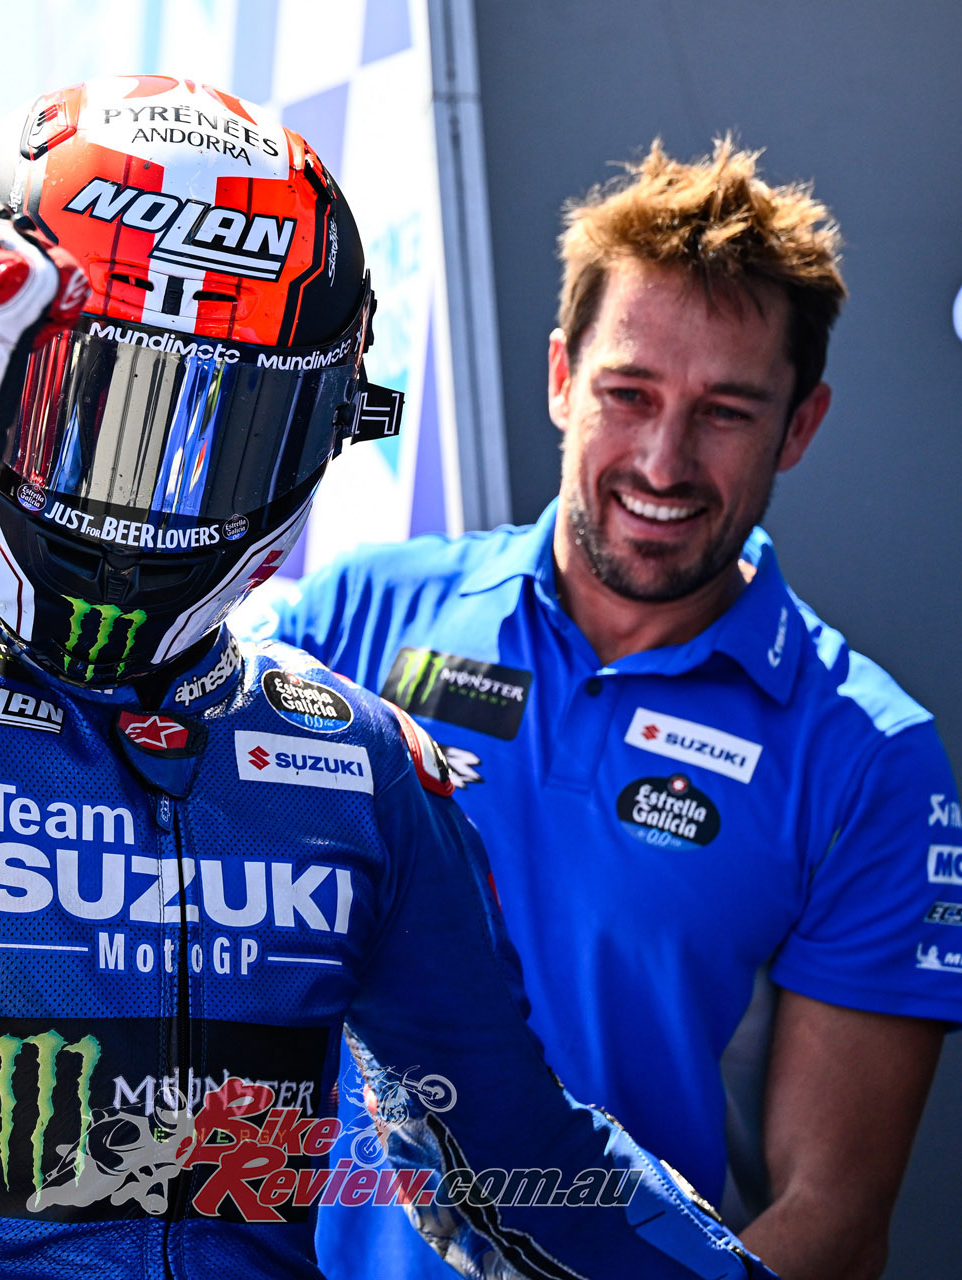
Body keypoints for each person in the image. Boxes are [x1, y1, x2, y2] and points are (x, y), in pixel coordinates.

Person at [0, 78, 774, 1280]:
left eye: (223, 429)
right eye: (101, 412)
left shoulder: (356, 763)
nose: (154, 496)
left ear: (325, 428)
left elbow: (519, 1160)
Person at [254, 138, 958, 1280]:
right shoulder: (359, 616)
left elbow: (831, 1220)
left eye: (727, 412)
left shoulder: (869, 760)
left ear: (801, 425)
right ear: (560, 378)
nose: (663, 462)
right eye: (629, 395)